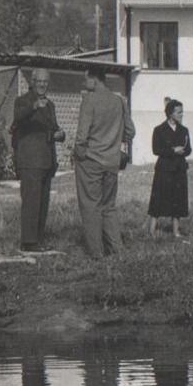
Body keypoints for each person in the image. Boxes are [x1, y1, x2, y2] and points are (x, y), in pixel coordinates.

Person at [73, 67, 135, 259]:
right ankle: (118, 249)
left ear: (95, 79)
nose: (84, 83)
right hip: (112, 161)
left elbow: (82, 135)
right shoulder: (119, 100)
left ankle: (97, 254)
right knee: (108, 206)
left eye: (86, 79)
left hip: (91, 161)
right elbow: (130, 132)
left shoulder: (89, 101)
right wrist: (114, 142)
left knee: (90, 207)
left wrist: (79, 152)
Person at [9, 68, 65, 252]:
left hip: (46, 159)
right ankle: (29, 242)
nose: (42, 85)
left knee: (42, 202)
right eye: (39, 81)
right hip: (30, 160)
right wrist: (33, 106)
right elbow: (17, 118)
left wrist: (59, 134)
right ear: (32, 82)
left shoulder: (50, 105)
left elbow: (53, 128)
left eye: (45, 82)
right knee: (31, 201)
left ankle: (38, 239)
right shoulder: (23, 101)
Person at [148, 98, 192, 239]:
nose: (182, 114)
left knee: (178, 201)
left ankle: (176, 231)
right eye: (179, 112)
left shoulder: (184, 130)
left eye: (182, 112)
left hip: (179, 169)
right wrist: (173, 151)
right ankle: (152, 230)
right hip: (164, 170)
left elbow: (189, 149)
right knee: (158, 200)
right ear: (170, 113)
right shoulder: (159, 130)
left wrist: (183, 151)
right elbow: (156, 149)